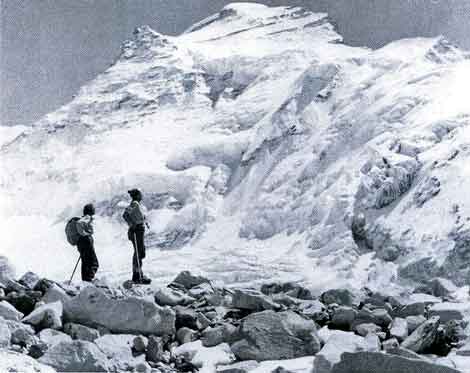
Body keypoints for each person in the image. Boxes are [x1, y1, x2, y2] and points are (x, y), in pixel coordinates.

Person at [124, 189, 151, 284]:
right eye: (140, 194)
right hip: (136, 231)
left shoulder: (136, 204)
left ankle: (137, 274)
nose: (142, 195)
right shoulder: (135, 203)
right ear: (137, 195)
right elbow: (125, 214)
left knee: (139, 252)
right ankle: (138, 276)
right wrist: (132, 224)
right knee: (139, 252)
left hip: (138, 230)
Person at [76, 203, 99, 282]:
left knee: (85, 261)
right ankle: (89, 278)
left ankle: (85, 280)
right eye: (93, 209)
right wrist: (85, 234)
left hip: (80, 242)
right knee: (94, 262)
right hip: (86, 241)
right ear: (90, 210)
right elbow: (79, 223)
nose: (94, 210)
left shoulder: (85, 217)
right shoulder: (87, 217)